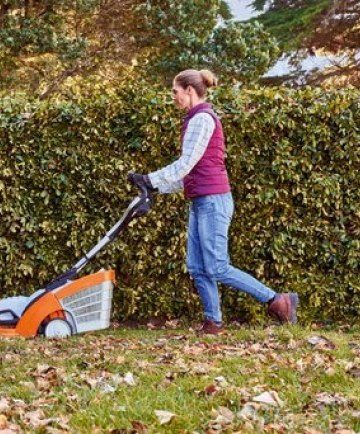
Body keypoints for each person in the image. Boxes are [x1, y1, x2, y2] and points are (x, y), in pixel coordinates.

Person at [127, 69, 297, 335]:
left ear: (189, 91)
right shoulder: (194, 119)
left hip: (213, 201)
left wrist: (149, 179)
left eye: (175, 91)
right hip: (201, 200)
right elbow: (191, 173)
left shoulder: (202, 119)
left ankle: (277, 300)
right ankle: (213, 322)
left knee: (217, 266)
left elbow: (186, 163)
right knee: (197, 266)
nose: (173, 97)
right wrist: (156, 187)